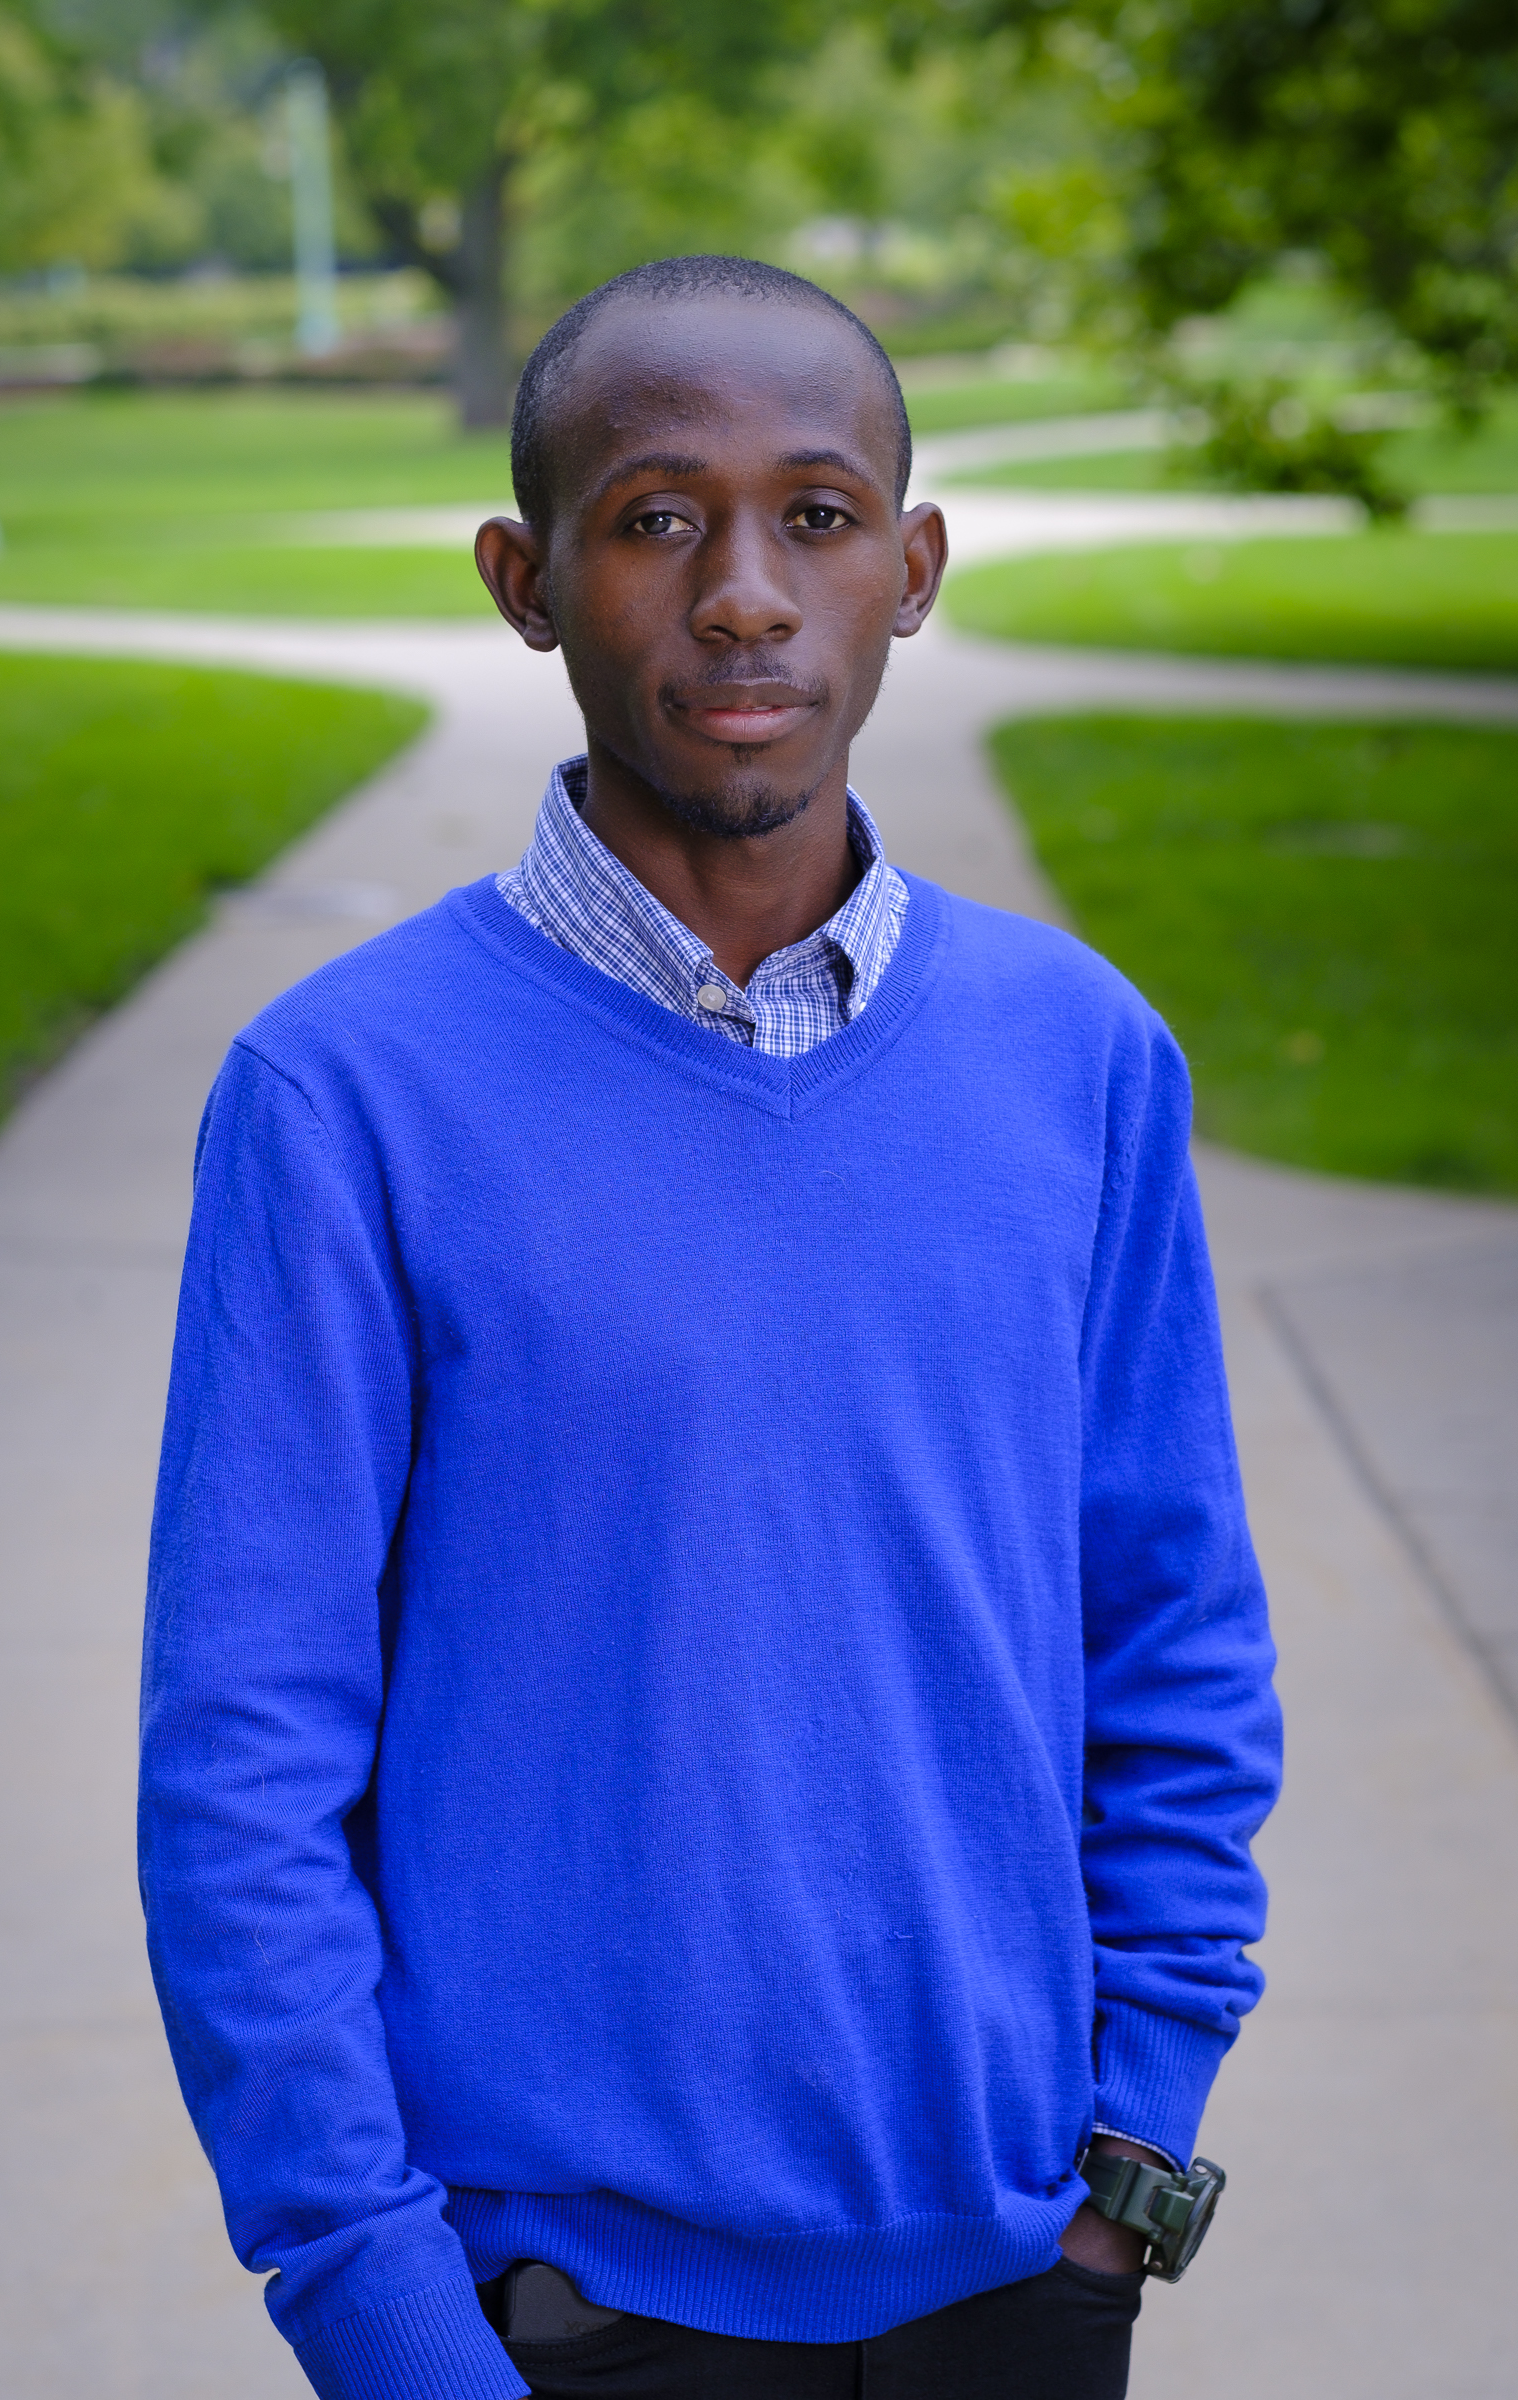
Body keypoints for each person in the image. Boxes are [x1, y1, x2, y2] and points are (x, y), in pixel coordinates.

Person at [139, 256, 1281, 2400]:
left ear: (911, 569)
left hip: (1020, 2273)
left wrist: (1130, 2163)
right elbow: (244, 1762)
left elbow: (1171, 1639)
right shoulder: (346, 1097)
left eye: (816, 517)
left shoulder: (1075, 1059)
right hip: (548, 2316)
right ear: (525, 579)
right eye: (656, 518)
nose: (743, 594)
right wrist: (380, 2309)